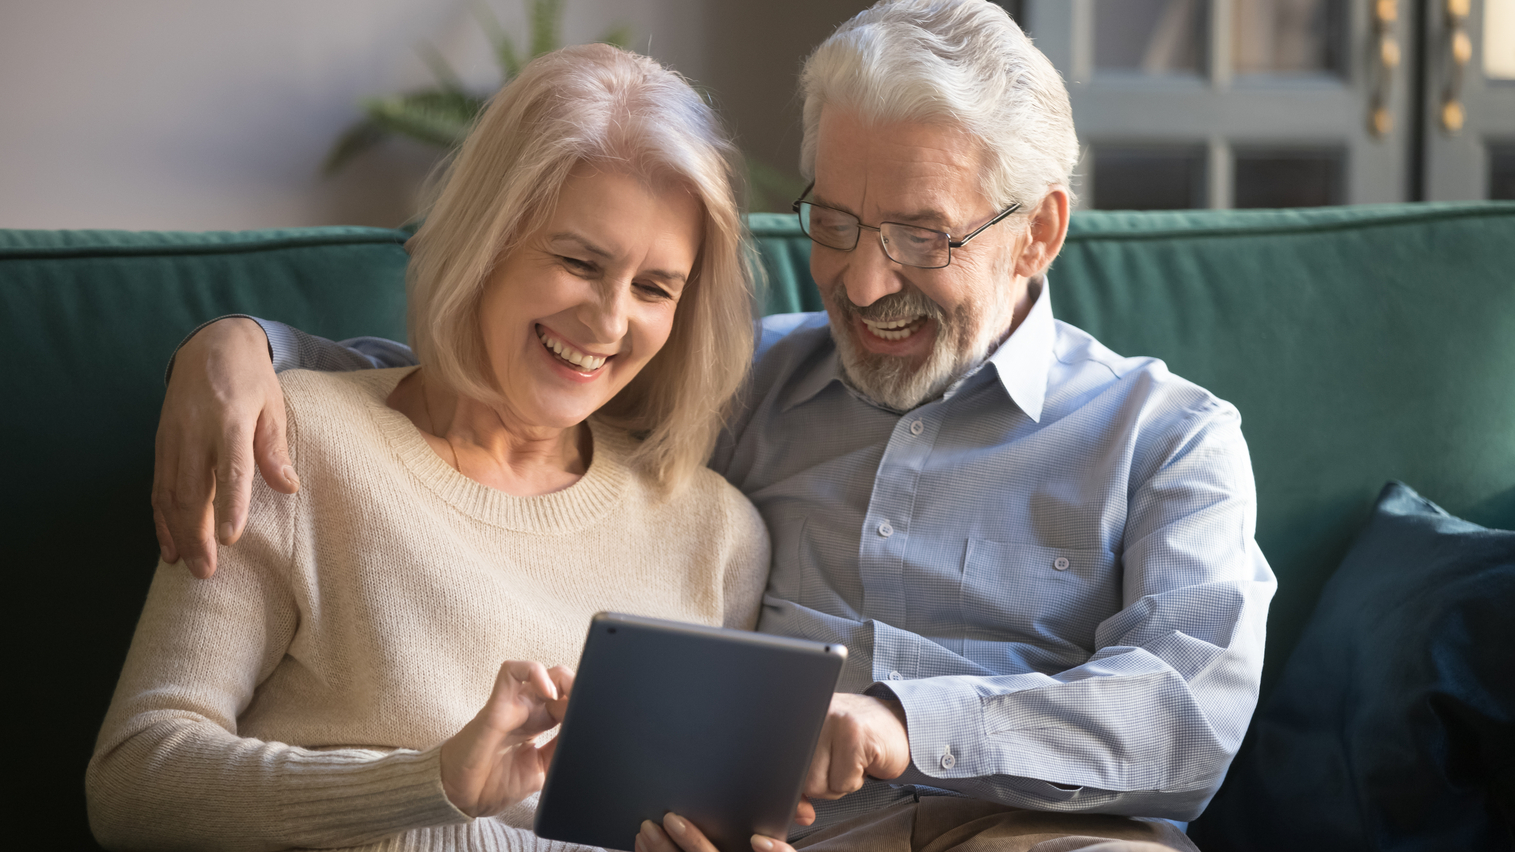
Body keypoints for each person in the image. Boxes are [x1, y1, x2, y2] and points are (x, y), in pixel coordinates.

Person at [152, 2, 1278, 851]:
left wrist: (900, 724)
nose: (863, 278)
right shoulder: (747, 382)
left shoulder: (1168, 438)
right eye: (834, 220)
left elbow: (1187, 715)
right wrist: (249, 347)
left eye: (921, 237)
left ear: (1036, 234)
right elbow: (507, 378)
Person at [87, 43, 771, 852]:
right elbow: (134, 782)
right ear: (485, 239)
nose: (609, 323)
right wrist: (429, 785)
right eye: (578, 262)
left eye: (654, 288)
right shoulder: (291, 444)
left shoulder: (718, 536)